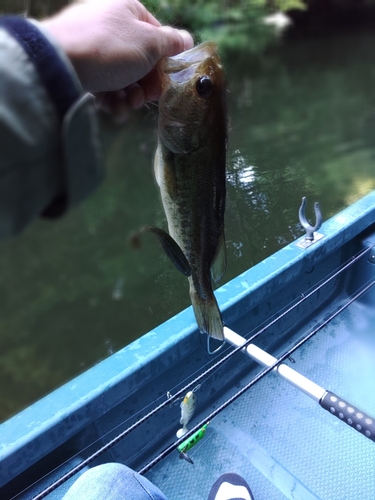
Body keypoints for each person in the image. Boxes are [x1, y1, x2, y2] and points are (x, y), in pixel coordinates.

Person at [1, 2, 254, 498]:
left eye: (203, 88)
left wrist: (55, 52)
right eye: (207, 84)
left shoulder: (184, 136)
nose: (200, 77)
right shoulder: (181, 134)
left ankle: (201, 293)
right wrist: (57, 53)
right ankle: (202, 293)